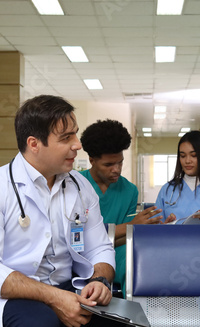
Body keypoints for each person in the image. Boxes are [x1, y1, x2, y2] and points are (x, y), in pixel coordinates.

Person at [0, 95, 127, 327]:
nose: (77, 144)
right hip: (12, 297)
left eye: (75, 134)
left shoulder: (80, 186)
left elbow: (99, 247)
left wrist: (99, 280)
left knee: (118, 321)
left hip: (69, 286)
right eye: (66, 138)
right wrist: (55, 297)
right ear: (34, 144)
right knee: (42, 323)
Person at [80, 119, 163, 294]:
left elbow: (123, 239)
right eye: (108, 165)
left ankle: (133, 316)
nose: (116, 169)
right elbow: (80, 239)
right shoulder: (76, 184)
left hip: (117, 252)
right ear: (92, 160)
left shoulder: (130, 190)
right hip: (81, 255)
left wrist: (138, 228)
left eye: (120, 162)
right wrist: (131, 226)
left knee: (135, 255)